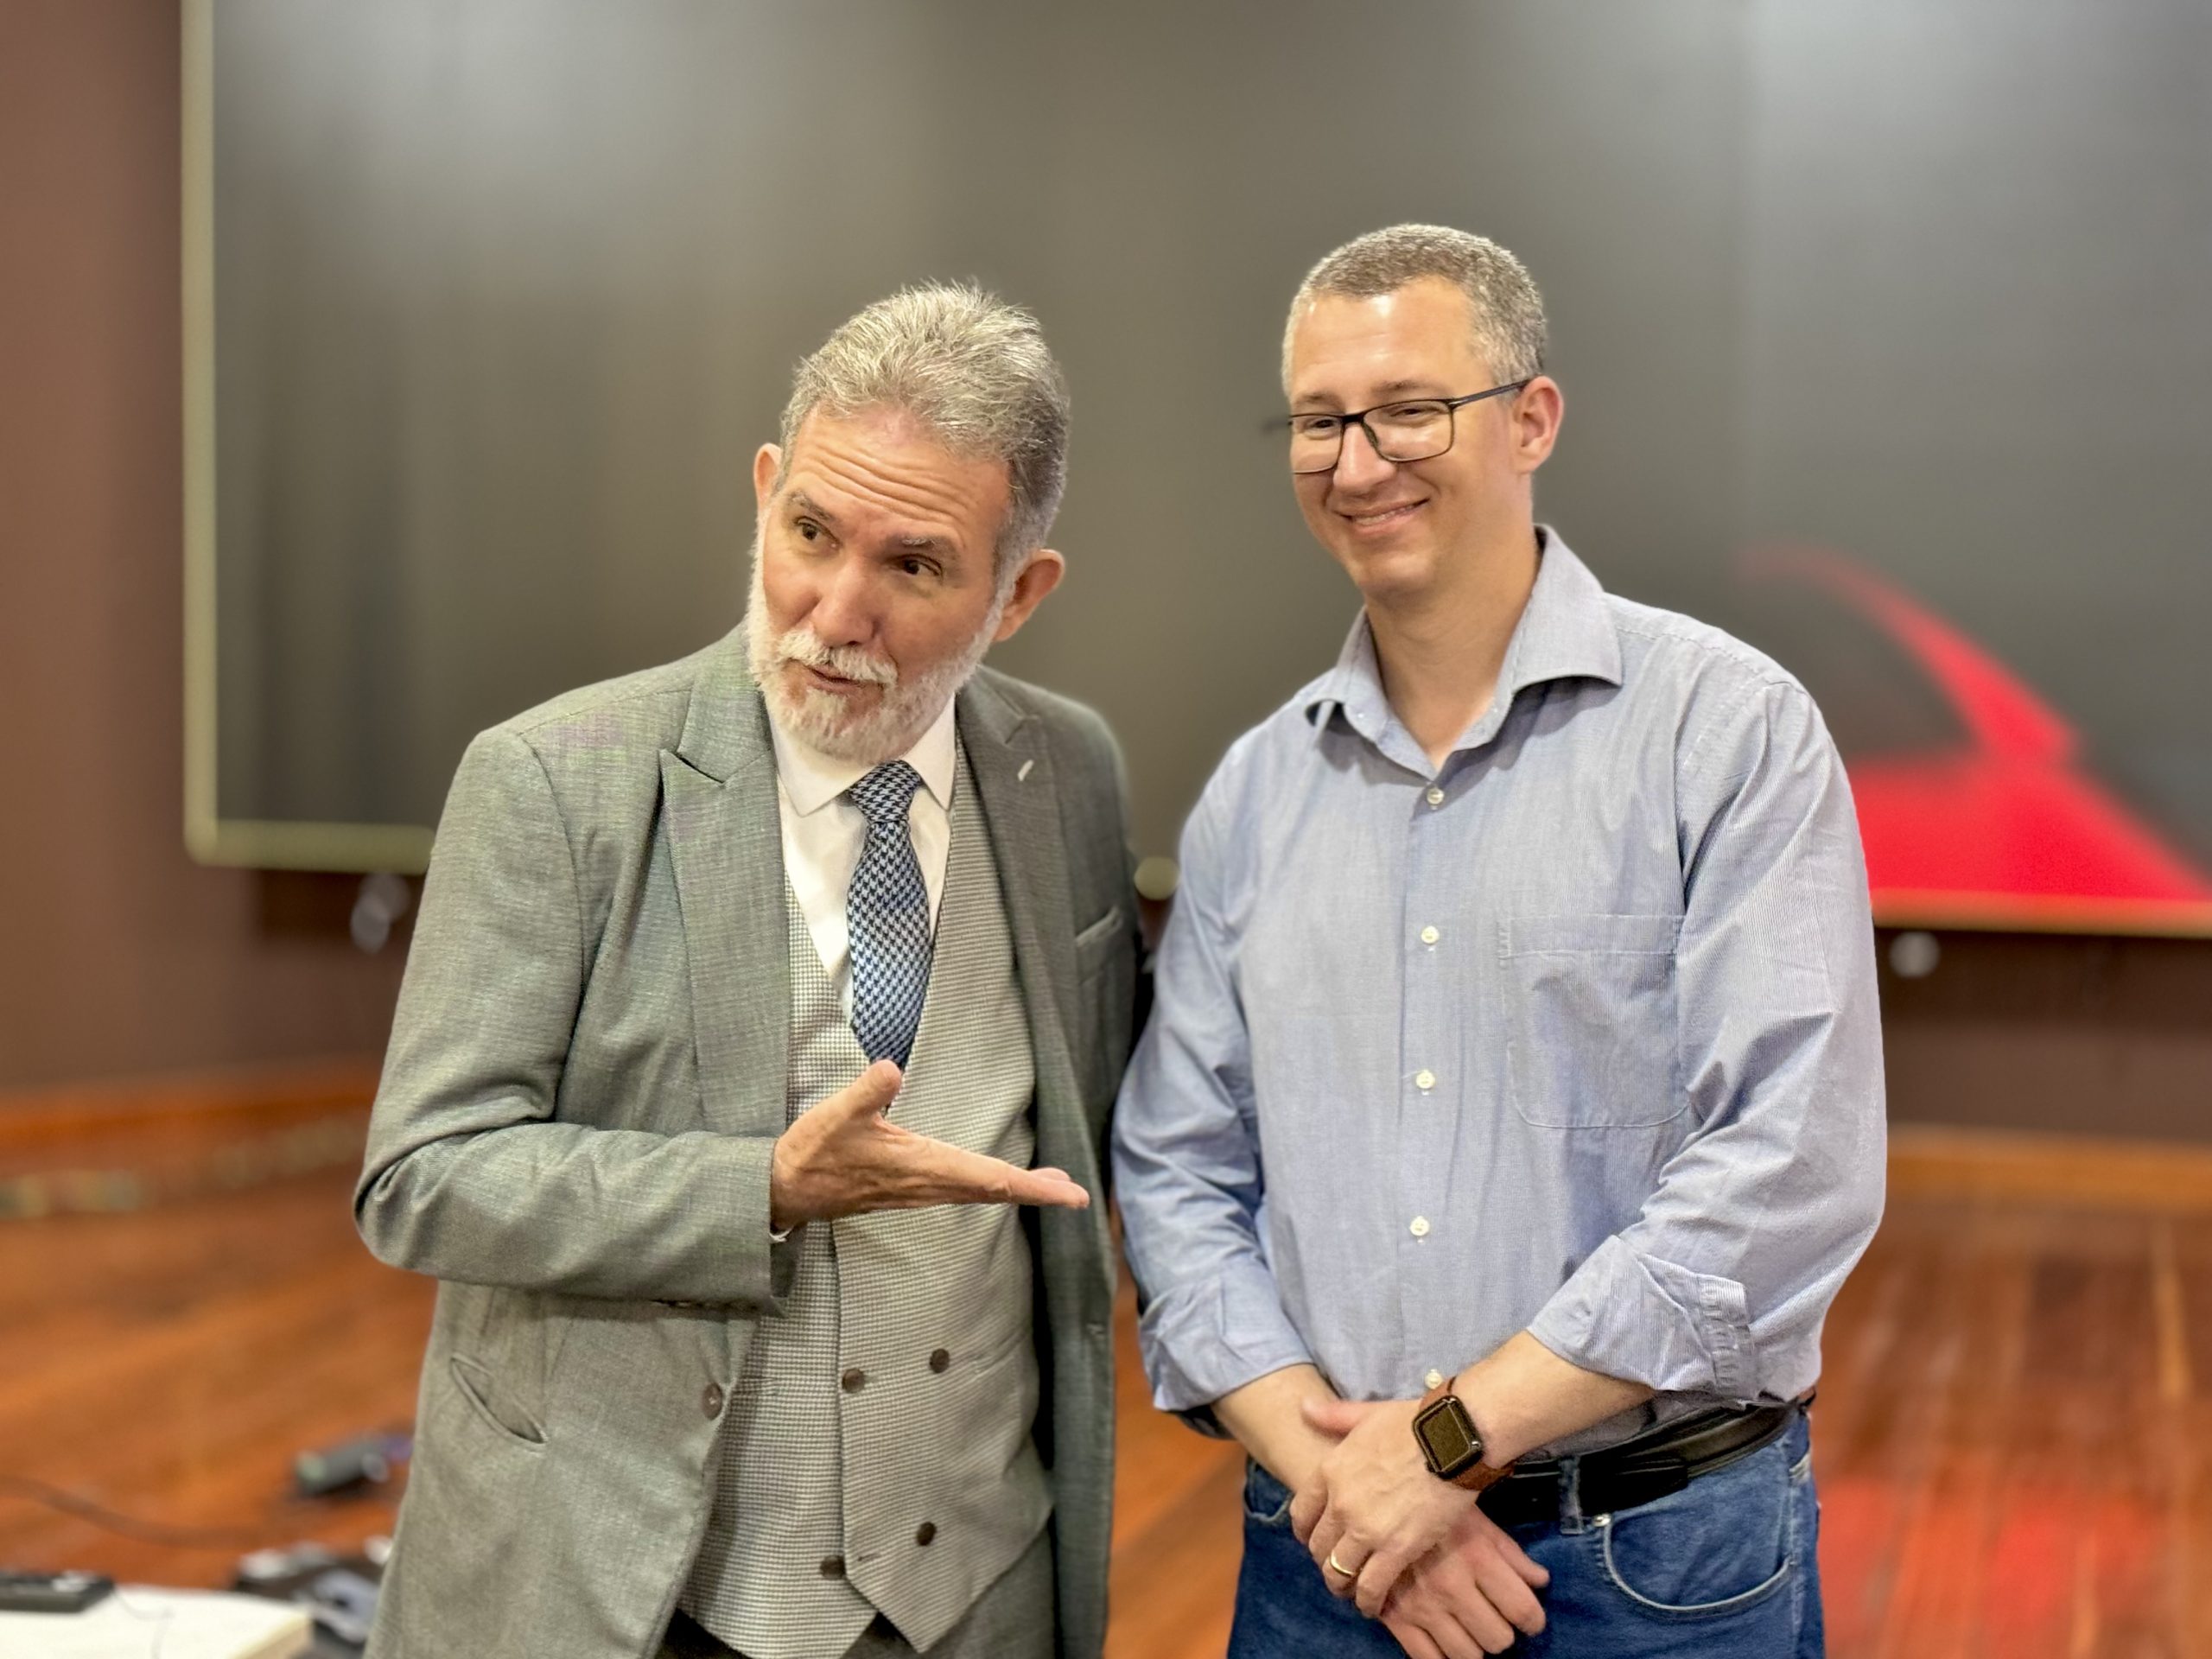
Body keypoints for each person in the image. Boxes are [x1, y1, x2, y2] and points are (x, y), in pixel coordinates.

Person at [1113, 225, 1885, 1658]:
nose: (1358, 464)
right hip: (1325, 1562)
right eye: (1320, 422)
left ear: (1531, 420)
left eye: (1409, 410)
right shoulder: (1257, 794)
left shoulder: (1726, 731)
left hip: (1655, 1567)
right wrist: (1352, 1483)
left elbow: (1791, 1167)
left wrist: (1445, 1446)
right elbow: (1175, 1168)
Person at [355, 284, 1140, 1659]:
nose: (836, 612)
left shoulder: (1067, 774)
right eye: (812, 534)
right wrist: (759, 1190)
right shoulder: (553, 782)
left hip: (978, 1594)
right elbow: (421, 1179)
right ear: (767, 489)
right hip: (643, 1595)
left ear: (1019, 593)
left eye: (915, 566)